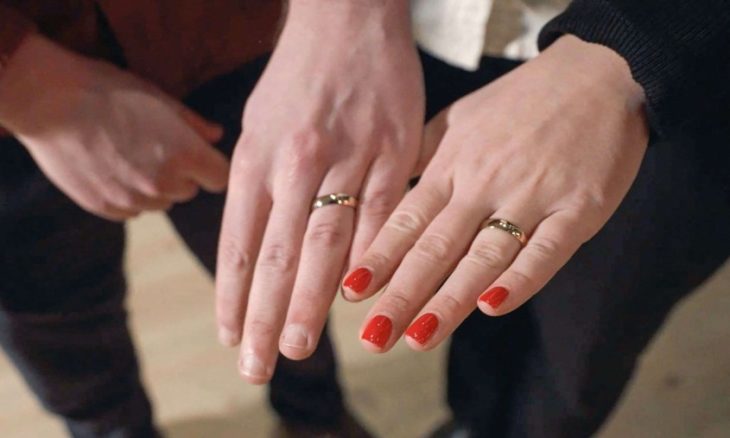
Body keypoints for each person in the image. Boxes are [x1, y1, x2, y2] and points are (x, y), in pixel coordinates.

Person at [209, 0, 730, 437]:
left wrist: (624, 50)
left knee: (581, 348)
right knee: (459, 290)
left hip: (682, 68)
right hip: (415, 30)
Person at [0, 2, 369, 437]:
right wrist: (24, 86)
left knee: (280, 279)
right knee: (60, 333)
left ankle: (317, 416)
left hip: (223, 33)